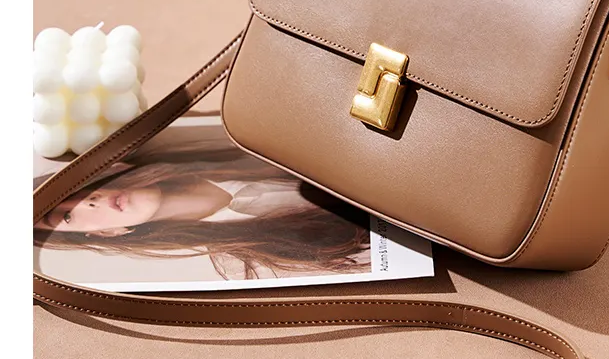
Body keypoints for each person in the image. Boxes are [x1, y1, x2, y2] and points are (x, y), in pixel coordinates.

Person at [34, 142, 371, 280]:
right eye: (66, 217)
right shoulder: (249, 262)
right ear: (106, 233)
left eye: (74, 190)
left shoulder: (226, 144)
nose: (87, 201)